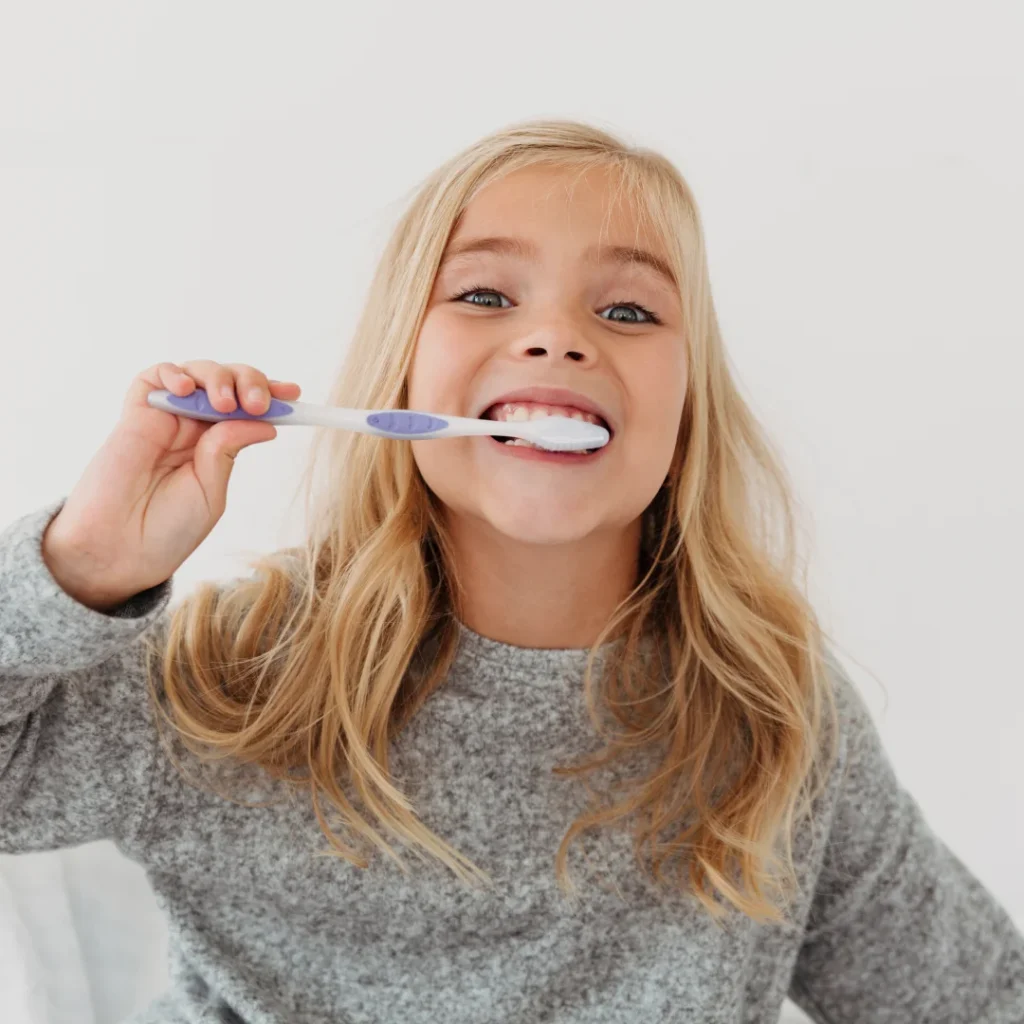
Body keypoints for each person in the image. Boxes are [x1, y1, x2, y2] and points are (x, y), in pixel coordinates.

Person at [2, 118, 1021, 1023]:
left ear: (687, 418)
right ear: (400, 375)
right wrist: (82, 565)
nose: (555, 337)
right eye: (485, 294)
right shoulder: (234, 679)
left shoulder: (772, 720)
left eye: (629, 312)